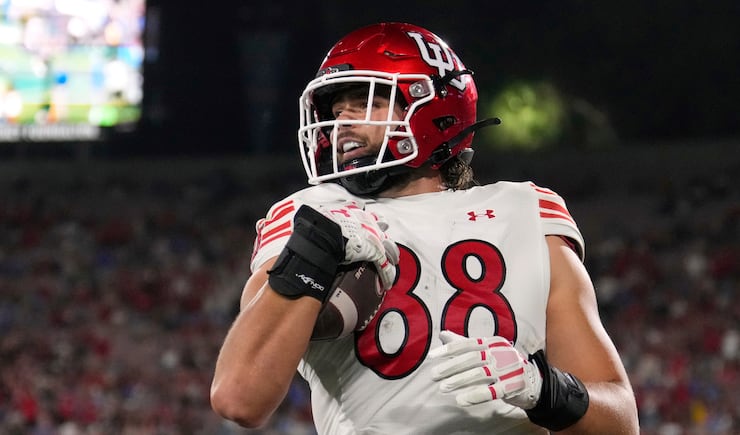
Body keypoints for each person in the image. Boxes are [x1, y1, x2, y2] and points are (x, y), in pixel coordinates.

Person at [210, 22, 639, 434]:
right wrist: (313, 250)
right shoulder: (313, 216)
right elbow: (239, 399)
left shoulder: (524, 211)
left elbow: (620, 422)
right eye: (336, 110)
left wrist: (544, 390)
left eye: (366, 102)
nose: (342, 124)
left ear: (432, 107)